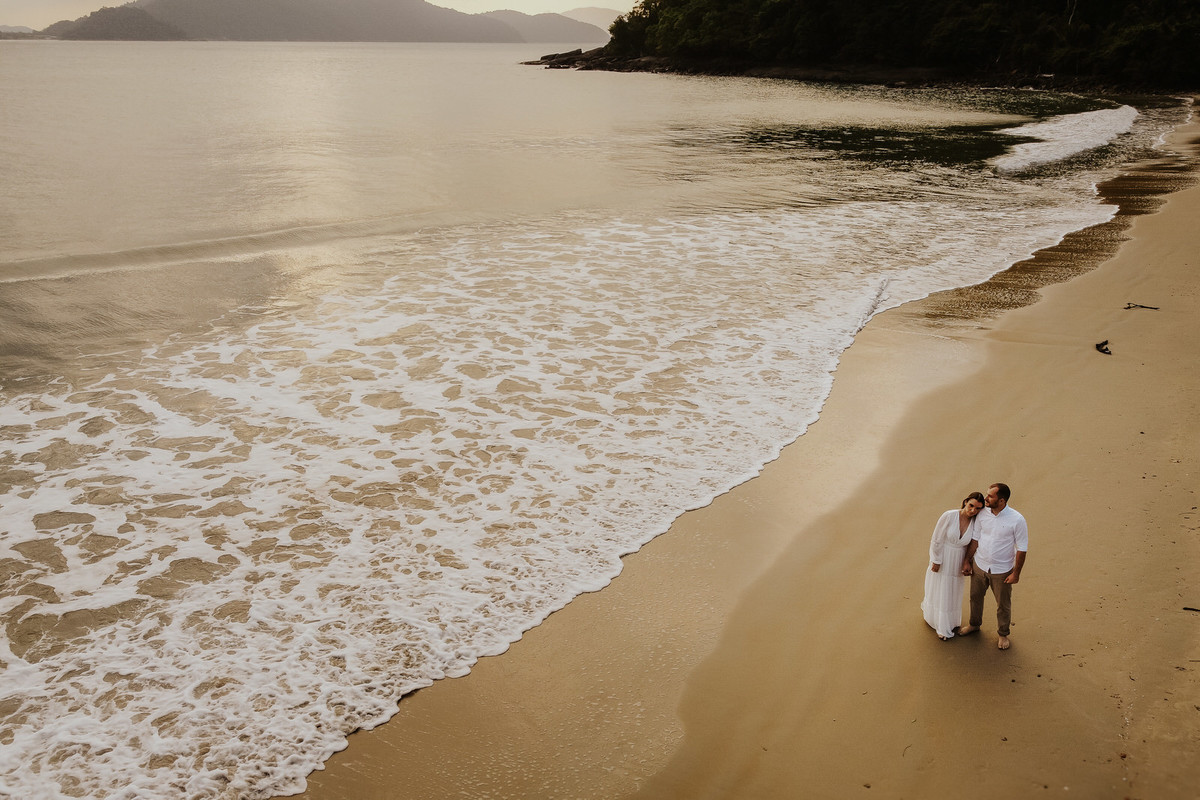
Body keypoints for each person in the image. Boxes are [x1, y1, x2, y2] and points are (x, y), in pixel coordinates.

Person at [959, 482, 1029, 650]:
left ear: (1002, 501)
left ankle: (1003, 634)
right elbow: (975, 538)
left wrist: (1016, 573)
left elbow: (1022, 548)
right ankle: (974, 625)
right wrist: (967, 560)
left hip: (1002, 570)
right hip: (980, 565)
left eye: (990, 496)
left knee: (1003, 605)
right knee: (975, 598)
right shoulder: (982, 514)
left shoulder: (1017, 520)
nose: (986, 498)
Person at [921, 491, 985, 640]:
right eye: (971, 506)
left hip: (958, 560)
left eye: (977, 509)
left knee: (953, 590)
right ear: (965, 502)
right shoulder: (949, 515)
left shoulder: (975, 523)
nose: (972, 511)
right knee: (940, 587)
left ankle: (951, 620)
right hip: (943, 557)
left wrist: (967, 562)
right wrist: (936, 560)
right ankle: (941, 626)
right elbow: (936, 539)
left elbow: (973, 544)